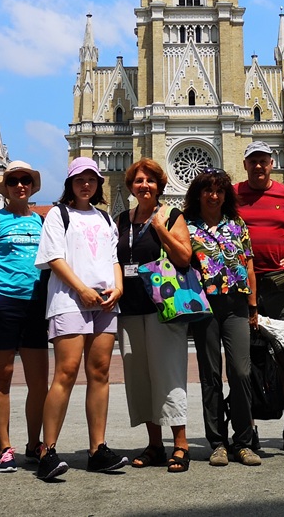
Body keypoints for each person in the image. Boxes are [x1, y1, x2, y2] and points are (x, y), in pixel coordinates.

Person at [33, 156, 127, 480]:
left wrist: (119, 288)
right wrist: (81, 289)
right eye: (79, 180)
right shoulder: (59, 215)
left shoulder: (105, 218)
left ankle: (97, 449)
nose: (85, 185)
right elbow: (54, 258)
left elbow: (114, 258)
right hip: (69, 300)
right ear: (70, 184)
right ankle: (47, 450)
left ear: (99, 183)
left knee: (100, 373)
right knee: (66, 372)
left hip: (104, 302)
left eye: (91, 179)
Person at [234, 140, 284, 454]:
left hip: (280, 285)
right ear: (245, 165)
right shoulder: (234, 194)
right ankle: (248, 429)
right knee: (244, 359)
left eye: (263, 160)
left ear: (272, 163)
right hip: (242, 286)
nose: (258, 166)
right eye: (252, 161)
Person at [0, 160, 50, 474]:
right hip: (3, 304)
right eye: (15, 181)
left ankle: (34, 444)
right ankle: (5, 447)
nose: (21, 185)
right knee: (2, 378)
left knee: (39, 383)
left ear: (32, 187)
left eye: (26, 181)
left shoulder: (42, 223)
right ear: (7, 187)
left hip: (34, 307)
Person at [115, 158, 193, 473]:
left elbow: (186, 257)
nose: (144, 185)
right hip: (129, 309)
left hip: (164, 307)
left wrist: (160, 229)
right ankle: (155, 445)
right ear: (130, 186)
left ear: (160, 185)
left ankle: (182, 445)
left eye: (150, 181)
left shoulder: (171, 216)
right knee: (139, 377)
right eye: (138, 181)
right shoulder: (120, 220)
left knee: (168, 373)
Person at [188, 168, 261, 468]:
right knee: (210, 376)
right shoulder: (187, 226)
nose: (214, 195)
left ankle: (243, 441)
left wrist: (253, 307)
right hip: (204, 307)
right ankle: (217, 442)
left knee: (242, 372)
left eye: (219, 190)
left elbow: (250, 265)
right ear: (198, 194)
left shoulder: (238, 224)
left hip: (235, 305)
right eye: (207, 190)